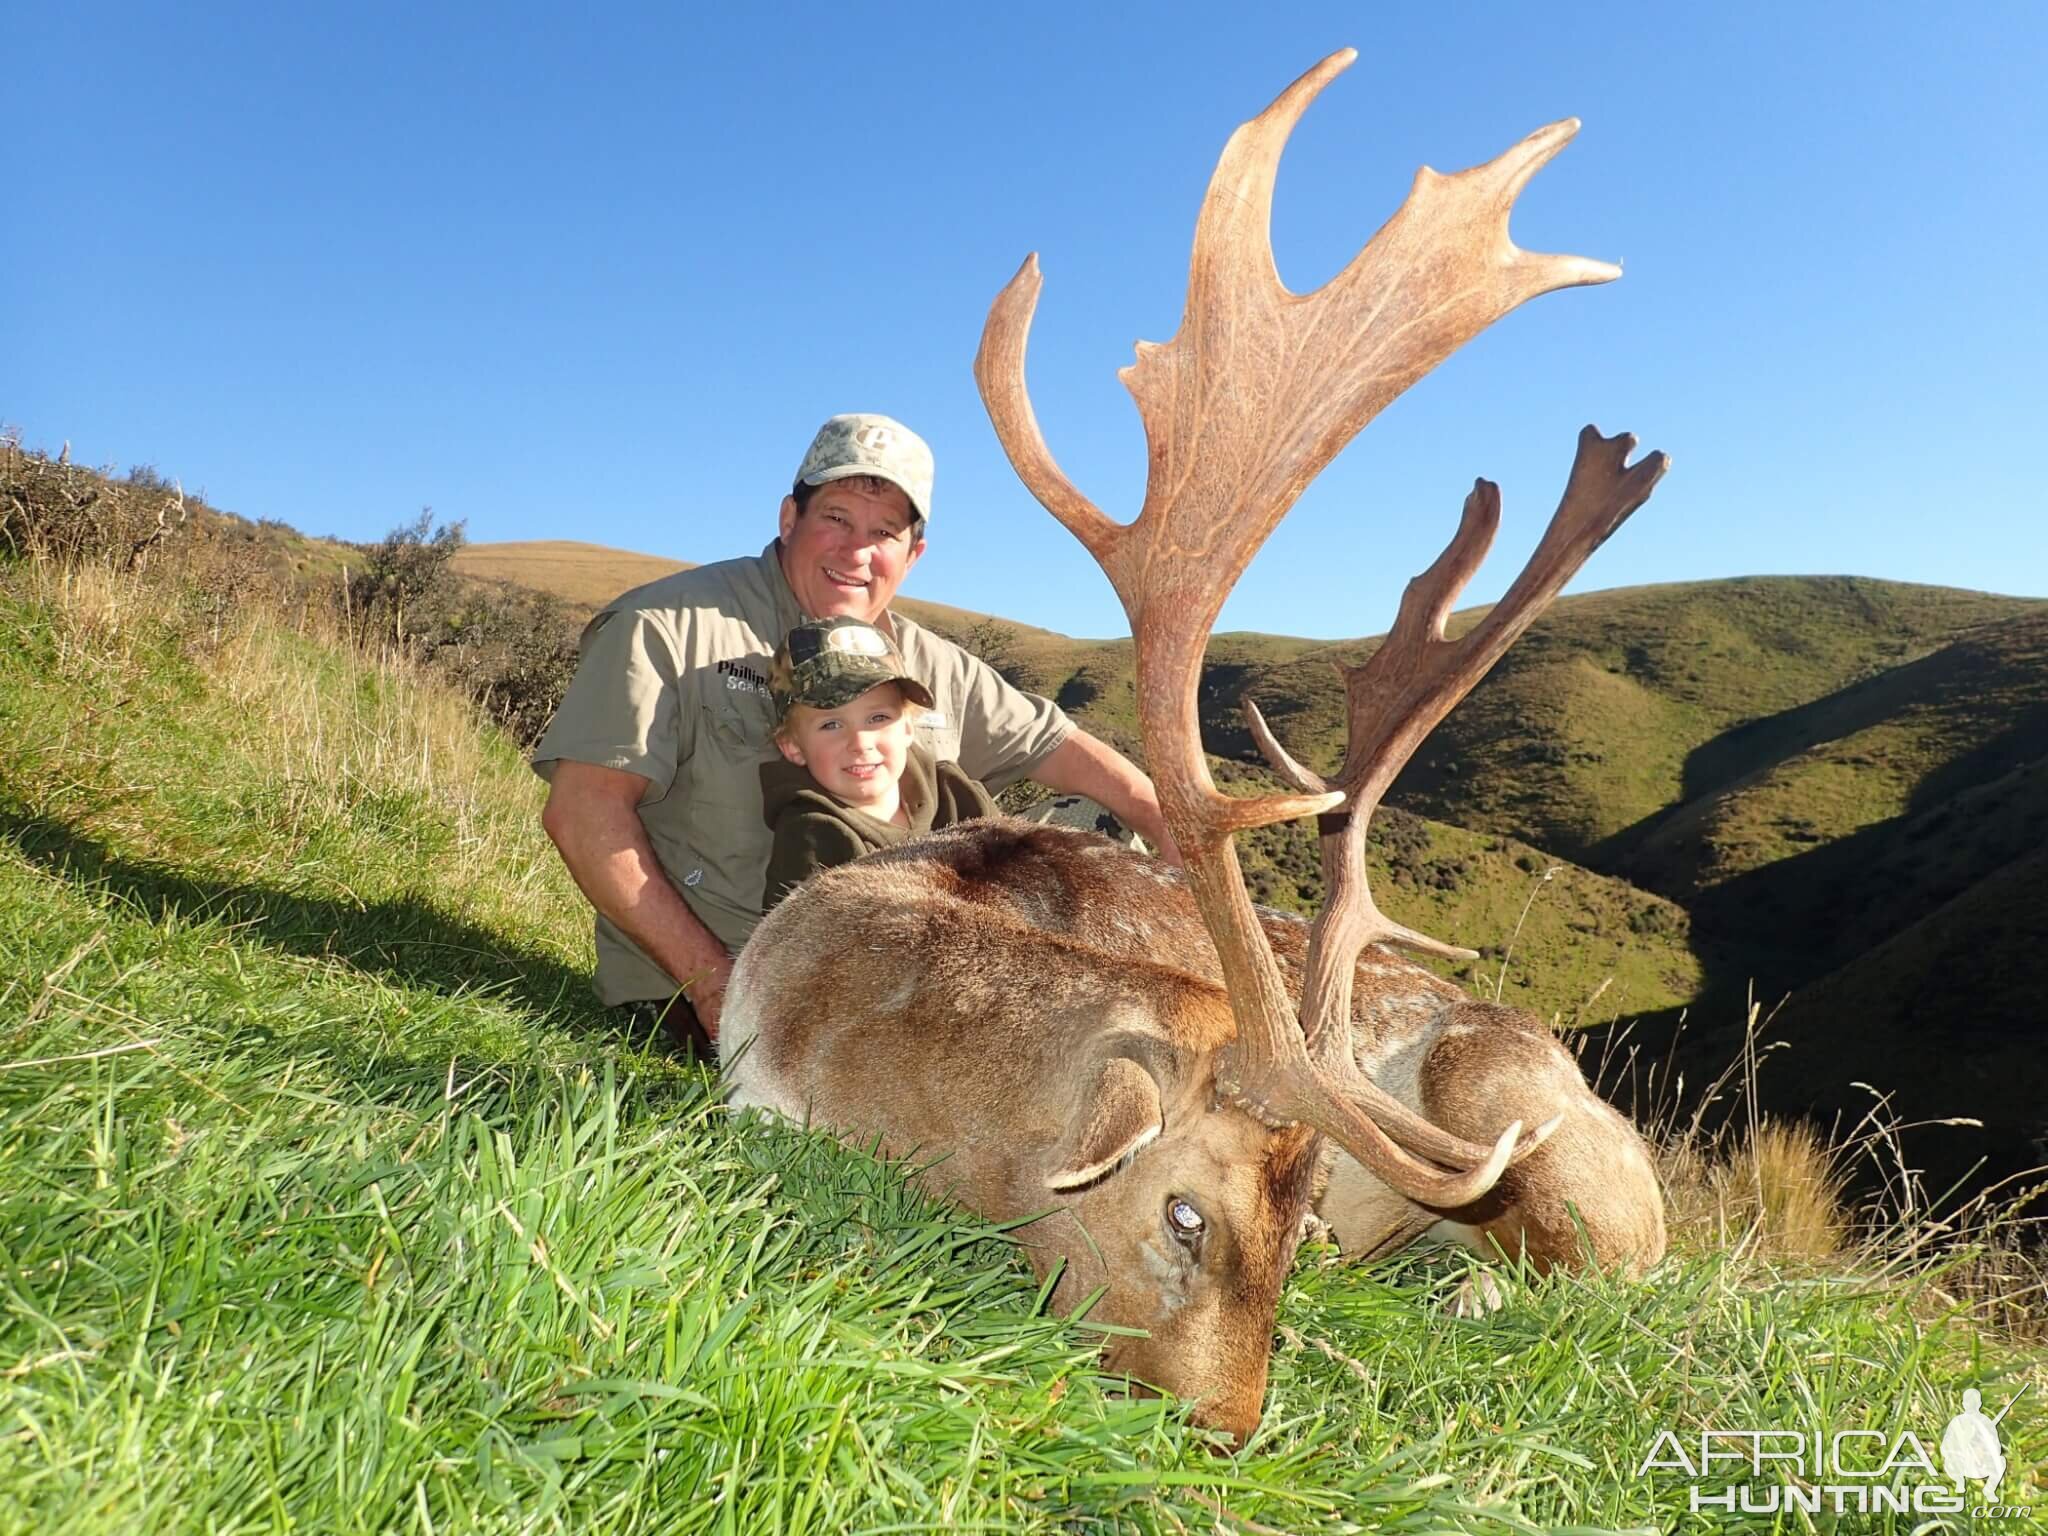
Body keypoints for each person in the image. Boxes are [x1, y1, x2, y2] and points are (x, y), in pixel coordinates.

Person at [532, 412, 1175, 1061]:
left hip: (905, 980)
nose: (855, 552)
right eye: (836, 518)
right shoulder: (665, 627)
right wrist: (712, 985)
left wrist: (1178, 834)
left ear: (912, 553)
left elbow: (1060, 747)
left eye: (884, 532)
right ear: (790, 518)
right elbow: (583, 813)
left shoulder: (934, 664)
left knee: (1098, 829)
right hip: (723, 989)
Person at [758, 615, 997, 912]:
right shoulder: (811, 836)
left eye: (878, 718)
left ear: (909, 727)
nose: (860, 742)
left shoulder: (956, 794)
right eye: (831, 724)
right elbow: (802, 950)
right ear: (792, 746)